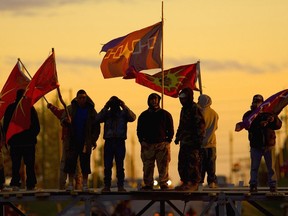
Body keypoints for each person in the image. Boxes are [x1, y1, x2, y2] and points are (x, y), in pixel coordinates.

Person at [241, 94, 282, 193]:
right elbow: (247, 125)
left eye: (259, 101)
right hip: (256, 145)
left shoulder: (269, 113)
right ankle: (253, 184)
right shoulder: (249, 115)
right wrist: (260, 123)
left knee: (271, 167)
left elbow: (278, 125)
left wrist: (273, 120)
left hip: (269, 145)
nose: (257, 103)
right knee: (254, 167)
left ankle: (272, 185)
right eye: (255, 101)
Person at [61, 89, 100, 191]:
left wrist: (93, 140)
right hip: (73, 140)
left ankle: (85, 185)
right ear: (77, 99)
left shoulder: (91, 110)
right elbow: (62, 120)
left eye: (84, 97)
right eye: (80, 98)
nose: (82, 99)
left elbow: (97, 126)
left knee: (85, 164)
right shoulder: (70, 109)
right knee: (70, 163)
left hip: (85, 142)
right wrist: (66, 121)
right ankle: (70, 184)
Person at [96, 96, 136, 192]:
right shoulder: (107, 114)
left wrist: (124, 106)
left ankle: (120, 186)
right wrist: (106, 107)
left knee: (119, 165)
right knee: (108, 165)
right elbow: (97, 119)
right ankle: (107, 186)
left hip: (119, 141)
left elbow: (133, 117)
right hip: (109, 141)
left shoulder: (123, 114)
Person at [3, 89, 40, 190]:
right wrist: (31, 137)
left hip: (15, 144)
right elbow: (37, 127)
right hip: (28, 144)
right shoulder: (30, 108)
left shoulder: (10, 108)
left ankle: (15, 184)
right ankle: (31, 185)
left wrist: (9, 139)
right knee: (30, 165)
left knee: (15, 165)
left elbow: (6, 126)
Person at [137, 93, 174, 190]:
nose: (154, 101)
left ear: (159, 100)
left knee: (163, 166)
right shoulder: (144, 115)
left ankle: (163, 183)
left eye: (156, 99)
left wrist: (168, 141)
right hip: (147, 145)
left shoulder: (165, 114)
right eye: (152, 99)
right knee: (147, 166)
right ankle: (148, 184)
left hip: (162, 144)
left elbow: (170, 129)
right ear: (148, 101)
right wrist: (142, 141)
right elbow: (139, 130)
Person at [174, 88, 205, 191]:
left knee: (193, 163)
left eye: (183, 97)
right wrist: (178, 137)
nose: (181, 100)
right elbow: (181, 124)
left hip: (193, 142)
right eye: (180, 98)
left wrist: (198, 140)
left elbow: (200, 125)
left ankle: (194, 183)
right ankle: (185, 182)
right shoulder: (184, 109)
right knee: (182, 163)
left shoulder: (195, 108)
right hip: (184, 141)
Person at [47, 103, 82, 190]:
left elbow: (58, 112)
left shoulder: (70, 112)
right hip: (70, 140)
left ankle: (67, 184)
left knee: (68, 161)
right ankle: (73, 184)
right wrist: (51, 107)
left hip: (71, 140)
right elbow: (58, 112)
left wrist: (51, 107)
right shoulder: (74, 113)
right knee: (74, 162)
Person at [198, 94, 219, 188]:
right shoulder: (214, 113)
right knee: (211, 164)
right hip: (212, 143)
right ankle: (211, 182)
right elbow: (216, 127)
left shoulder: (199, 113)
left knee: (201, 165)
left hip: (201, 144)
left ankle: (199, 183)